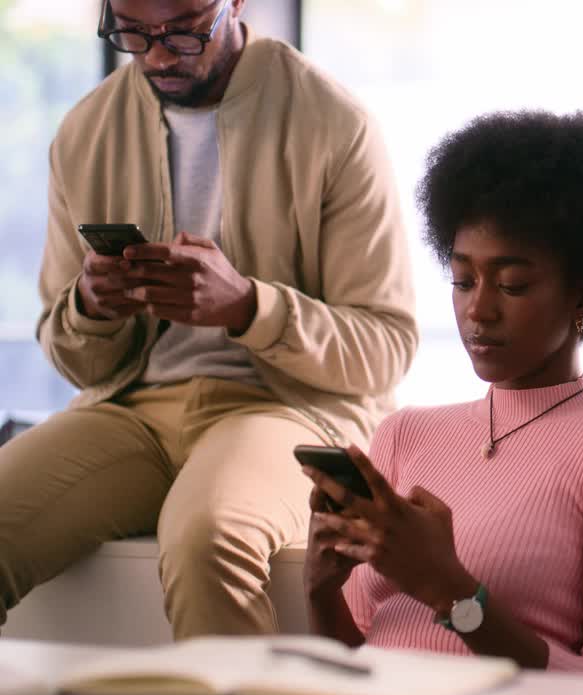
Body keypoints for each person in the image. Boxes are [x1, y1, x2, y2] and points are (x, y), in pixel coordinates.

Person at [0, 0, 418, 638]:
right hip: (129, 411)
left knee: (208, 539)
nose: (159, 55)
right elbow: (71, 355)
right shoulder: (87, 131)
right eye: (134, 33)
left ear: (236, 4)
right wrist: (91, 307)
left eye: (186, 32)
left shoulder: (333, 122)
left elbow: (386, 347)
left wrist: (251, 307)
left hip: (285, 410)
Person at [303, 110, 583, 674]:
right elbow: (355, 659)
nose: (478, 310)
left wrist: (450, 592)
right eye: (462, 280)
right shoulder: (406, 433)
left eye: (512, 284)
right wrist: (319, 590)